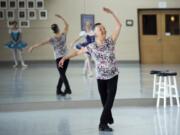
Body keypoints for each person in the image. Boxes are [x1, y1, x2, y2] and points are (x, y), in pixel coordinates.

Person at [59, 7, 122, 131]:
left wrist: (112, 13)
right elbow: (77, 52)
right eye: (100, 29)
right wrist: (64, 58)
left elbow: (119, 25)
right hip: (100, 78)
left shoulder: (110, 41)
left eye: (104, 28)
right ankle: (108, 118)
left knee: (109, 100)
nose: (103, 30)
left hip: (113, 76)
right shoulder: (91, 47)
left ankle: (101, 124)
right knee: (104, 102)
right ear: (95, 33)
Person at [28, 14, 71, 96]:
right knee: (62, 74)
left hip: (59, 58)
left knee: (62, 74)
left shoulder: (52, 39)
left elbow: (41, 43)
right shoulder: (63, 34)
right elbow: (67, 25)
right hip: (66, 57)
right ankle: (59, 90)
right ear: (58, 28)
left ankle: (67, 88)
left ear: (52, 31)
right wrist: (61, 17)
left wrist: (32, 47)